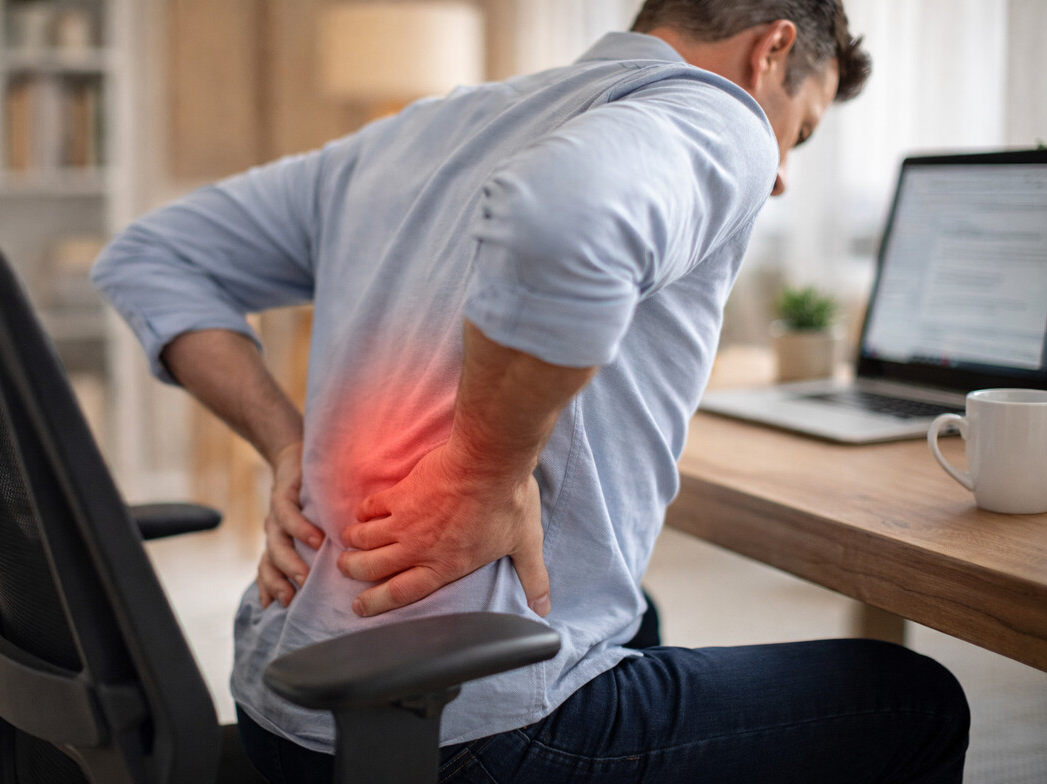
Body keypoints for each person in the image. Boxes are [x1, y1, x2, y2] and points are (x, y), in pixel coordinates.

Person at [92, 1, 970, 781]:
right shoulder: (719, 115)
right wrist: (481, 469)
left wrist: (288, 440)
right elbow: (561, 218)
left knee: (637, 615)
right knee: (914, 702)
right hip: (461, 736)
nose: (780, 174)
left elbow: (149, 253)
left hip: (282, 706)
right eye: (800, 131)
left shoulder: (422, 129)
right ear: (770, 53)